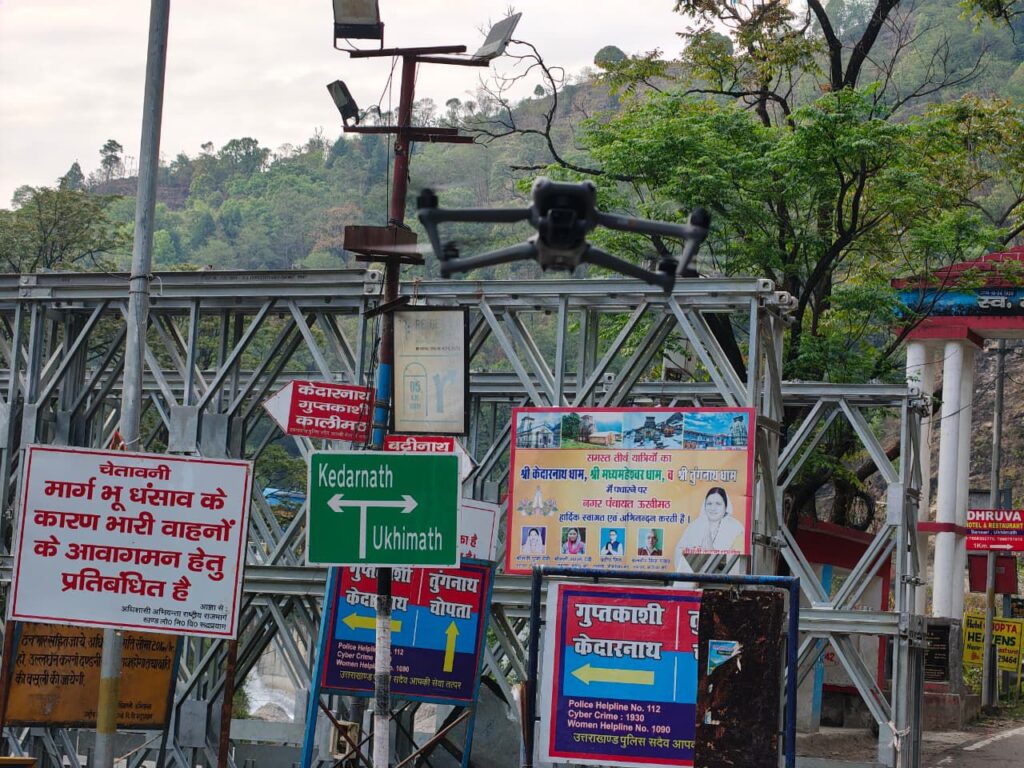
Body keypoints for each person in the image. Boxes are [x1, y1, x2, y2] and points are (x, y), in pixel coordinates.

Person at [677, 487, 744, 560]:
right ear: (705, 506)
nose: (713, 508)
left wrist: (711, 553)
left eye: (718, 504)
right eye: (709, 503)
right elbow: (679, 552)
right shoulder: (695, 526)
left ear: (725, 507)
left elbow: (738, 559)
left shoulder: (736, 528)